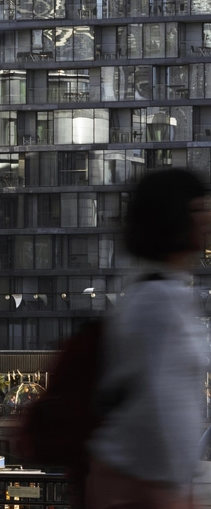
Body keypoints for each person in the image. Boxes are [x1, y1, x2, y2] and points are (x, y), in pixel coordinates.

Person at [85, 167, 211, 509]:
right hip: (146, 488)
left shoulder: (160, 292)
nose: (207, 220)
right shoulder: (158, 301)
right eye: (198, 209)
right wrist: (172, 492)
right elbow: (158, 407)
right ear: (173, 220)